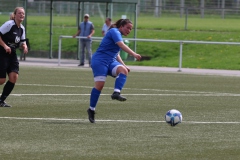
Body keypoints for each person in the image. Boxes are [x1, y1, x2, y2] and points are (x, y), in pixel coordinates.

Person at [87, 19, 142, 123]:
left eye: (131, 29)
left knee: (123, 70)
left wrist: (124, 65)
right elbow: (121, 45)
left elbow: (116, 53)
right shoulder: (114, 31)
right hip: (100, 61)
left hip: (110, 61)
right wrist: (134, 54)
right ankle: (91, 109)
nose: (129, 30)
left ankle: (116, 93)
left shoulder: (118, 34)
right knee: (100, 86)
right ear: (121, 26)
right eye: (128, 28)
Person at [0, 7, 28, 107]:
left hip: (12, 55)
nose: (22, 15)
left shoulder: (22, 28)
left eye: (23, 14)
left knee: (14, 77)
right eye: (20, 13)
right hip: (1, 53)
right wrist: (5, 46)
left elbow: (22, 41)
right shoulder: (9, 24)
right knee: (1, 80)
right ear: (15, 15)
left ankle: (1, 101)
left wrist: (24, 46)